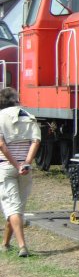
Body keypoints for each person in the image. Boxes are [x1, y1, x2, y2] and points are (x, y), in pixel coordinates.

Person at [0, 87, 40, 257]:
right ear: (16, 100)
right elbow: (36, 141)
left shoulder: (0, 117)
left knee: (12, 207)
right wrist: (26, 163)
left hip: (6, 167)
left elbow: (1, 144)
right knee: (17, 207)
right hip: (25, 169)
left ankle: (22, 246)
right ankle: (5, 243)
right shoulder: (29, 117)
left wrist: (16, 165)